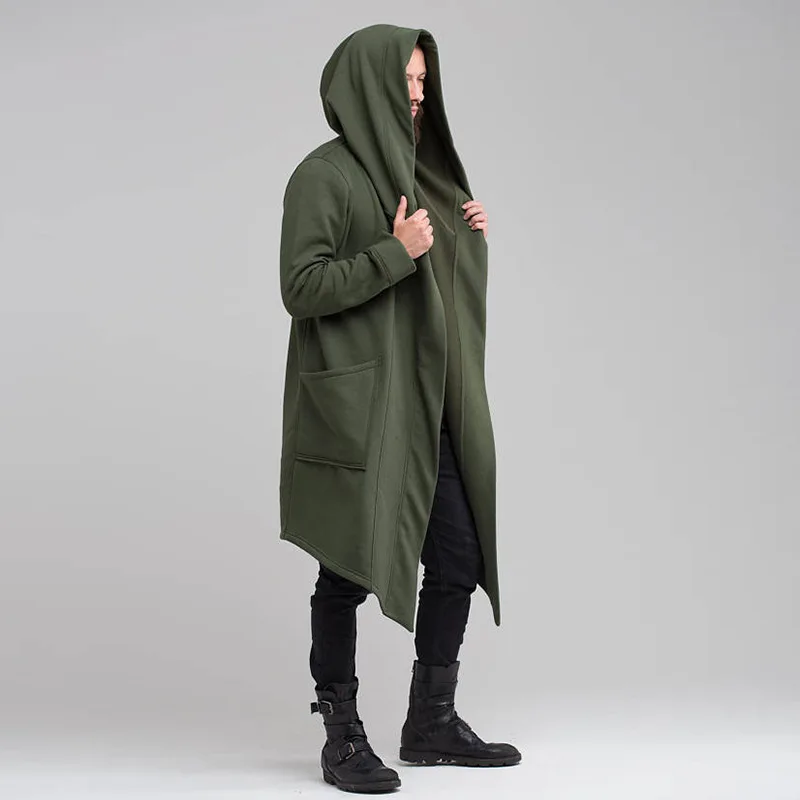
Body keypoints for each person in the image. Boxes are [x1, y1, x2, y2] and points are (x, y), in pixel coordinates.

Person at [278, 23, 520, 793]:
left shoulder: (422, 175)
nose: (419, 95)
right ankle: (342, 736)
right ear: (366, 83)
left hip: (427, 402)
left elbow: (434, 301)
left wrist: (465, 242)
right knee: (345, 568)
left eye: (423, 82)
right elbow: (301, 287)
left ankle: (430, 723)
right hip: (361, 410)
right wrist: (398, 250)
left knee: (459, 557)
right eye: (407, 81)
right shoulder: (323, 175)